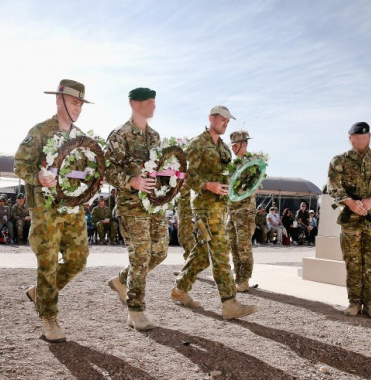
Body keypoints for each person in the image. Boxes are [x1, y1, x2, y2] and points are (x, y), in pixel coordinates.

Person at [14, 79, 92, 342]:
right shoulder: (39, 131)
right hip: (45, 209)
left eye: (81, 103)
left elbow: (84, 171)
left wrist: (90, 182)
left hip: (73, 208)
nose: (78, 108)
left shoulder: (81, 138)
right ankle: (48, 315)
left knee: (78, 259)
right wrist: (38, 176)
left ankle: (40, 292)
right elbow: (20, 165)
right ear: (59, 101)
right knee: (47, 262)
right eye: (74, 102)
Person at [173, 105, 258, 320]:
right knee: (221, 250)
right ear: (211, 118)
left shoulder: (224, 149)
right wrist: (207, 185)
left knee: (202, 254)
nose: (225, 123)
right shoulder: (198, 143)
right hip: (204, 207)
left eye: (228, 121)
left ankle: (180, 288)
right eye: (223, 120)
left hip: (221, 206)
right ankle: (229, 303)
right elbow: (185, 174)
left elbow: (227, 175)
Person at [104, 87, 168, 330]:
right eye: (150, 102)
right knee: (140, 257)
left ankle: (122, 280)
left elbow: (157, 167)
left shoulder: (155, 136)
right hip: (131, 206)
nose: (154, 106)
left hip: (154, 205)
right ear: (135, 103)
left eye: (154, 101)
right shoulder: (120, 135)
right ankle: (136, 310)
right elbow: (107, 169)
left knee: (160, 252)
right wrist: (131, 182)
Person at [327, 122, 371, 320]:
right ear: (350, 139)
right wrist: (349, 201)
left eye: (363, 138)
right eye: (356, 139)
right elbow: (332, 186)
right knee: (353, 262)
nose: (360, 142)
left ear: (369, 137)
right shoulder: (339, 161)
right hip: (351, 220)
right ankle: (354, 302)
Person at [226, 130, 256, 292]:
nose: (233, 149)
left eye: (235, 145)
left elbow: (253, 185)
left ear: (244, 144)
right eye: (232, 146)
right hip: (232, 211)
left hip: (244, 211)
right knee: (233, 245)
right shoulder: (234, 164)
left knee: (244, 246)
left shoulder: (253, 163)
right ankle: (238, 277)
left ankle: (244, 280)